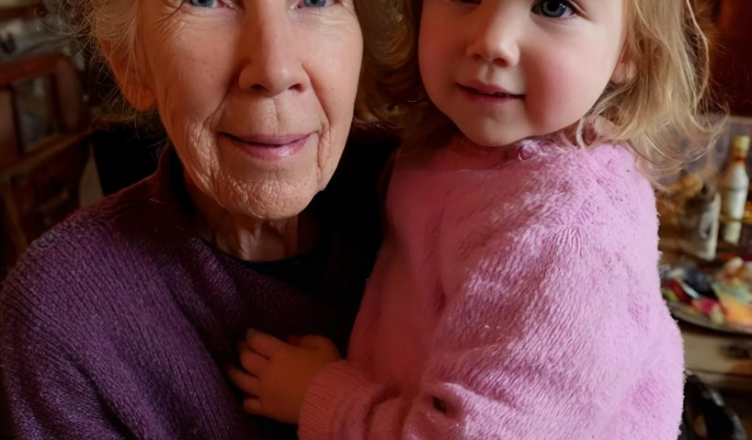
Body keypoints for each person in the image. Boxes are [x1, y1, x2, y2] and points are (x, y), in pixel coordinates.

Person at [229, 0, 719, 438]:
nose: (492, 41)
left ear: (631, 49)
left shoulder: (571, 236)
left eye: (553, 7)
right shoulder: (451, 147)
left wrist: (322, 397)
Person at [0, 0, 396, 438]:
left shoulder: (445, 205)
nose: (275, 70)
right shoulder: (66, 316)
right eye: (205, 0)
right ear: (129, 64)